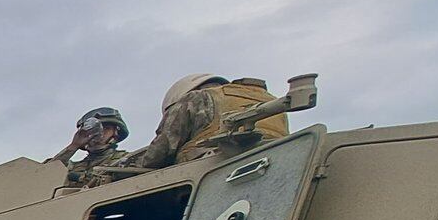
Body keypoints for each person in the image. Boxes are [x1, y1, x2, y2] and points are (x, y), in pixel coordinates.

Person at [117, 74, 287, 175]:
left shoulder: (195, 98)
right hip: (272, 166)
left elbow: (162, 149)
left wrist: (126, 169)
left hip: (210, 173)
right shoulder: (272, 101)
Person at [46, 107, 131, 188]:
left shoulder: (128, 159)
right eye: (92, 129)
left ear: (115, 133)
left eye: (106, 128)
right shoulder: (72, 167)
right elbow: (43, 174)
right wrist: (73, 146)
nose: (100, 132)